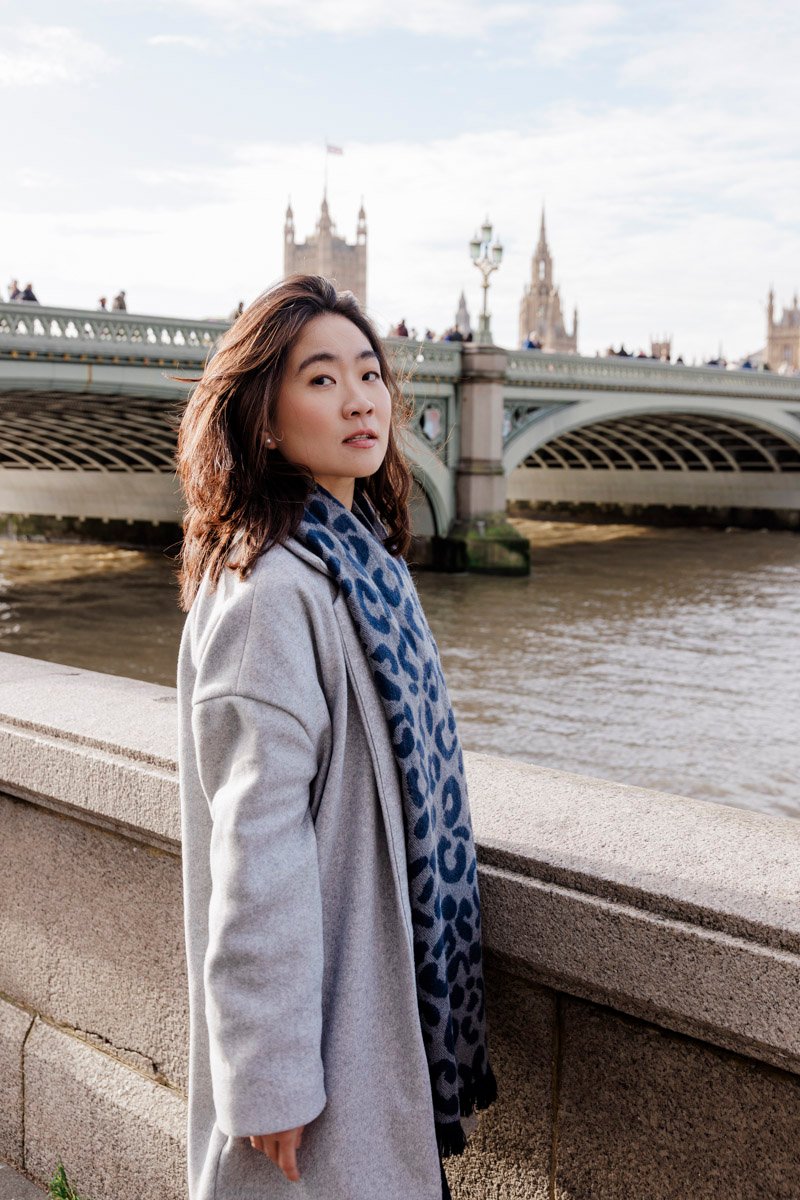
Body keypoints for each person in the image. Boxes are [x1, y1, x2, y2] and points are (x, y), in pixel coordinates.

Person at [175, 273, 496, 1200]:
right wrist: (268, 1075)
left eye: (369, 373)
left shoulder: (359, 566)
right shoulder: (273, 591)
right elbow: (256, 845)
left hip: (364, 1001)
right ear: (264, 421)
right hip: (315, 1053)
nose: (360, 399)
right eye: (320, 379)